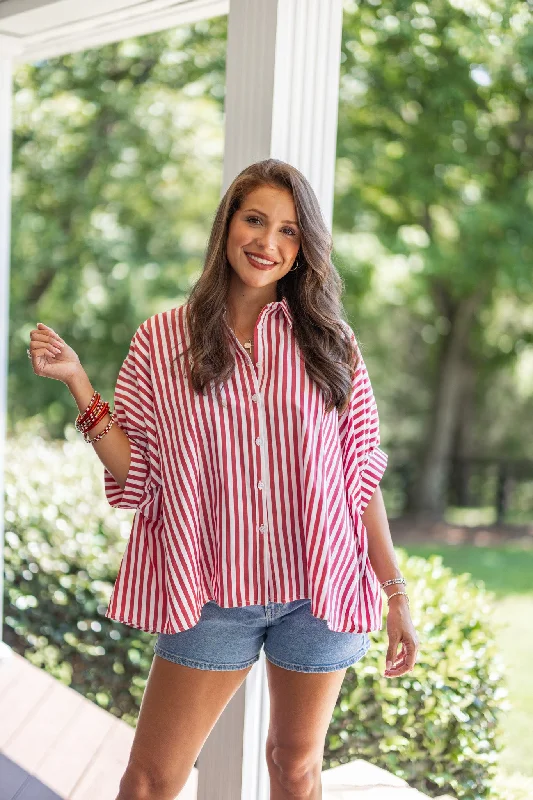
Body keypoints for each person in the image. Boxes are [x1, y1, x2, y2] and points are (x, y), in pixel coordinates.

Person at [28, 158, 419, 800]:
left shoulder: (331, 343)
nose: (268, 243)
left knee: (295, 768)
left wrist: (395, 593)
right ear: (227, 225)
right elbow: (139, 475)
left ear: (306, 247)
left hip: (320, 590)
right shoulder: (163, 341)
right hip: (211, 591)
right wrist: (78, 382)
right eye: (255, 220)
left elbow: (359, 474)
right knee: (151, 780)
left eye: (289, 231)